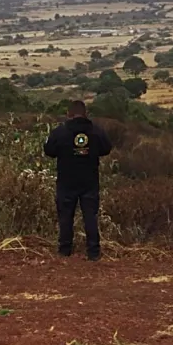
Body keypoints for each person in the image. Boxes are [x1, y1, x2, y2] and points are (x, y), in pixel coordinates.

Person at [43, 100, 113, 260]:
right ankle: (93, 252)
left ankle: (64, 250)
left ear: (69, 114)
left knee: (66, 216)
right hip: (89, 181)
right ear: (86, 113)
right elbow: (107, 148)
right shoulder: (96, 131)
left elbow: (49, 151)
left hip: (66, 181)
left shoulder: (60, 132)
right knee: (90, 215)